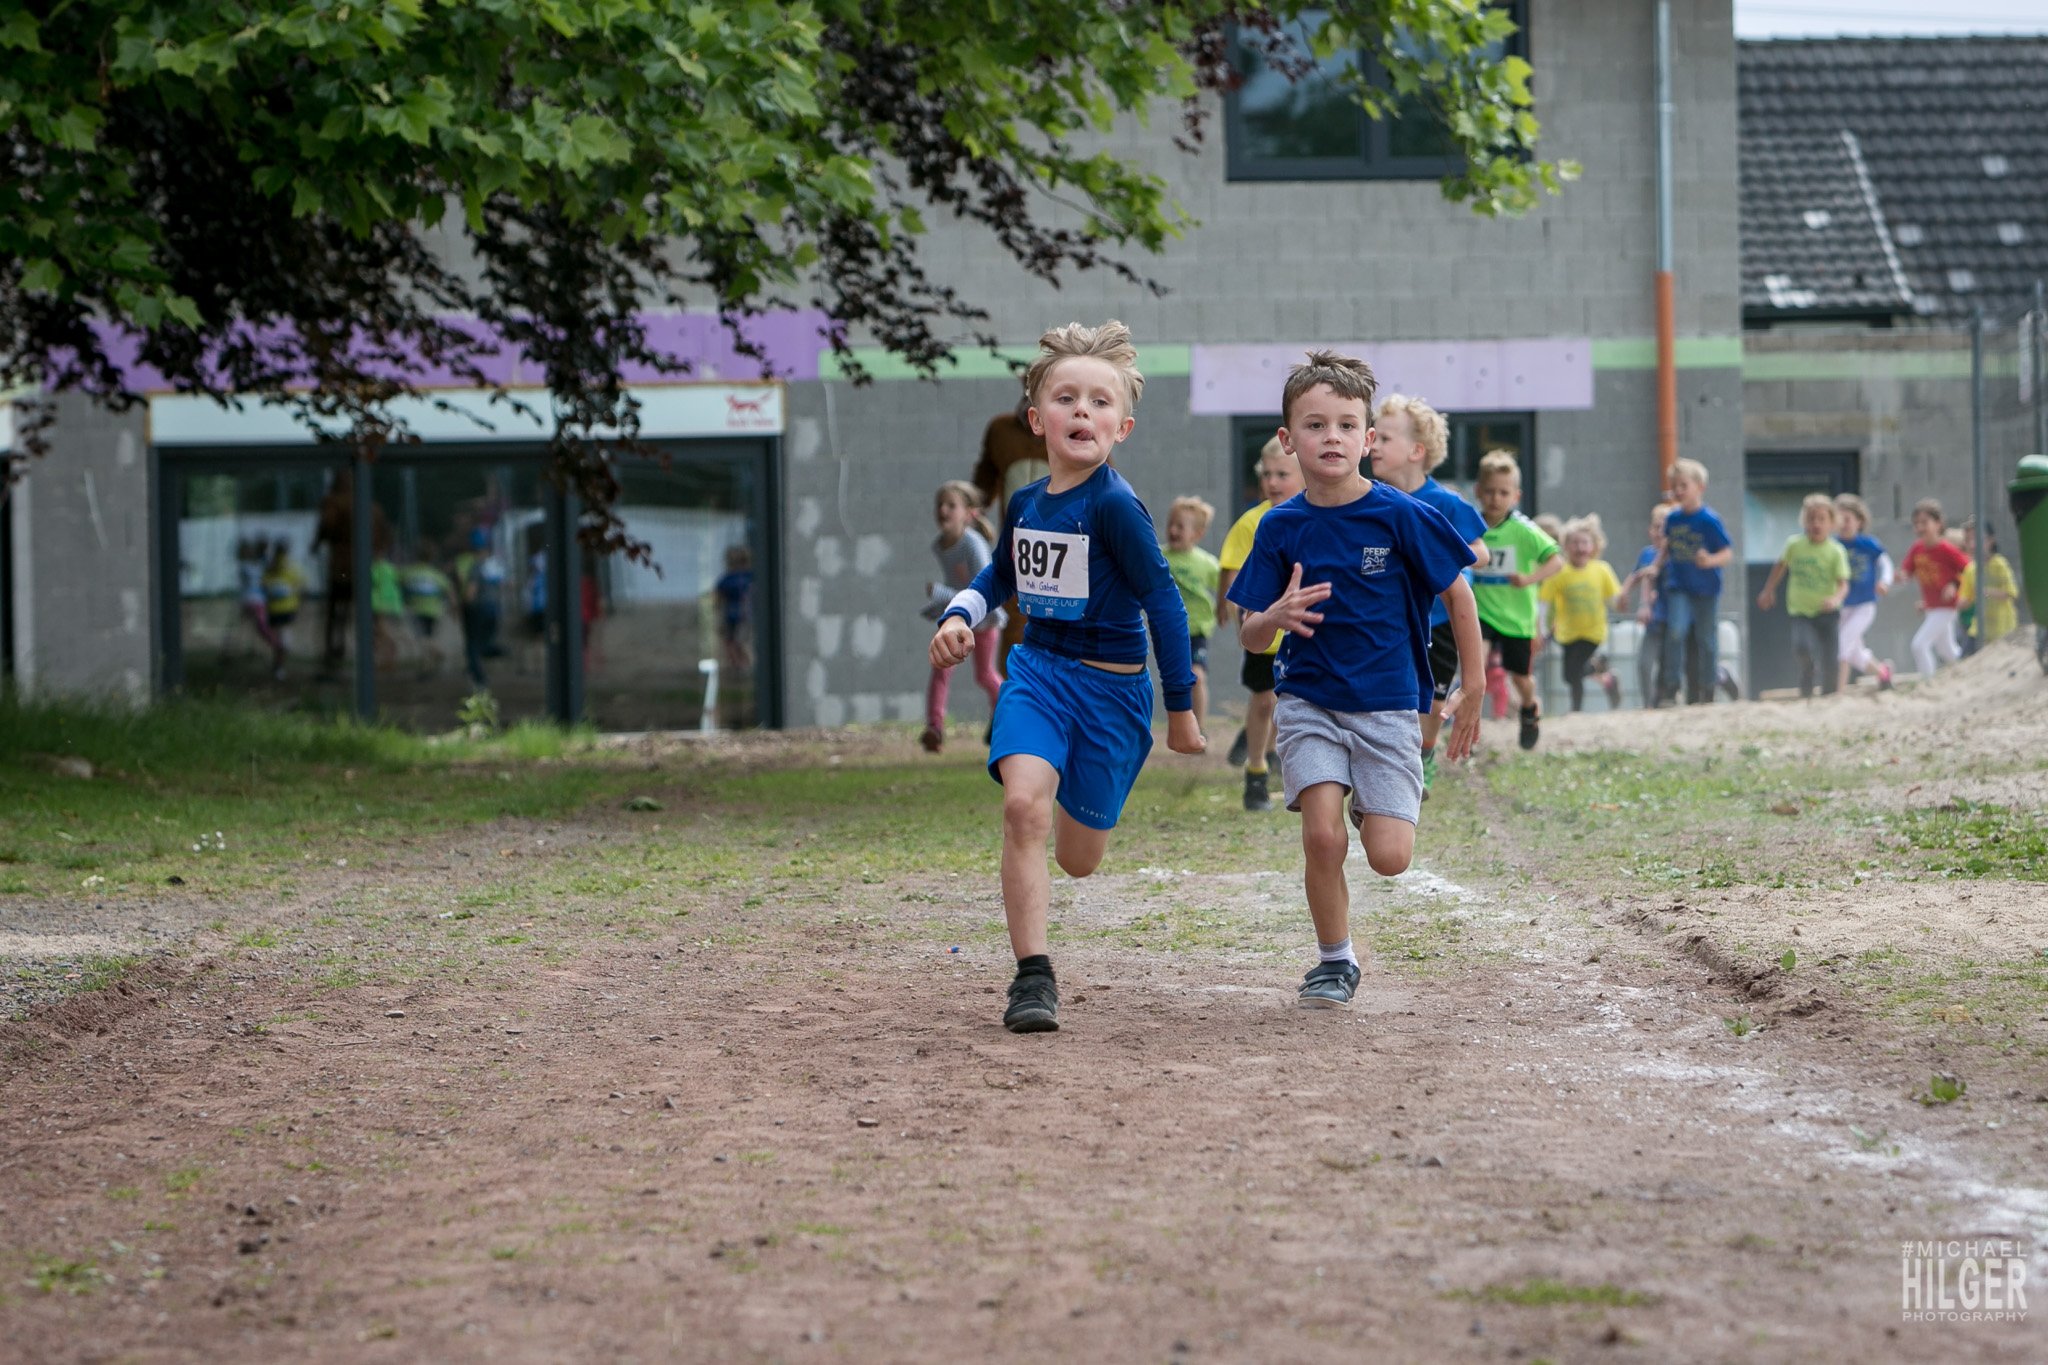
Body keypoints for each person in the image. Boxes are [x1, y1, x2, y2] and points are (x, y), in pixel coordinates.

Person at [928, 320, 1202, 1034]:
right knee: (1023, 808)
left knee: (1079, 858)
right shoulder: (1025, 504)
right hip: (1039, 674)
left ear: (1122, 427)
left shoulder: (1115, 506)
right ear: (1037, 419)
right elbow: (998, 576)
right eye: (1067, 398)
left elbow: (1164, 602)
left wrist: (1180, 708)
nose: (1083, 411)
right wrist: (959, 615)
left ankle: (1084, 796)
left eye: (1100, 402)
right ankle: (1033, 978)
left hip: (1112, 694)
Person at [1225, 351, 1484, 1010]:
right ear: (1289, 439)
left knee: (1390, 857)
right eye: (1315, 425)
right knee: (1322, 836)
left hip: (1388, 704)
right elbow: (1248, 633)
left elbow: (1458, 593)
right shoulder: (1279, 526)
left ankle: (1375, 801)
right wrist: (1273, 617)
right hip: (1308, 699)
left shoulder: (1401, 515)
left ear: (1368, 439)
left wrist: (1475, 686)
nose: (1331, 437)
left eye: (1346, 425)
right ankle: (1335, 960)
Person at [1369, 394, 1489, 797]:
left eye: (1385, 438)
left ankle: (1425, 755)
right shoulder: (1371, 500)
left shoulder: (1445, 503)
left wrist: (1437, 555)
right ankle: (1394, 761)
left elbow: (1482, 553)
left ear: (1416, 451)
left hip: (1441, 620)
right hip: (1395, 622)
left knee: (1434, 704)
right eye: (1373, 436)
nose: (1373, 445)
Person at [1216, 438, 1304, 810]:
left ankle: (1279, 757)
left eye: (1282, 474)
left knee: (1290, 702)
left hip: (1303, 631)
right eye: (1266, 474)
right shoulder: (1252, 522)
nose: (1272, 482)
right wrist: (1232, 605)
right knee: (1265, 699)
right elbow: (1233, 569)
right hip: (1265, 630)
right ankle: (1256, 774)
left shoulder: (1314, 518)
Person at [1470, 451, 1560, 748]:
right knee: (1475, 666)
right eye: (1490, 491)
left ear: (1516, 496)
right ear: (1478, 491)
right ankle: (1469, 726)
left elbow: (1556, 561)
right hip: (1481, 611)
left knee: (1520, 677)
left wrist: (1529, 579)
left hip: (1516, 616)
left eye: (1503, 493)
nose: (1496, 499)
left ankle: (1530, 707)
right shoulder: (1471, 525)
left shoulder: (1524, 529)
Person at [920, 480, 1005, 753]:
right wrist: (942, 604)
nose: (943, 510)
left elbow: (981, 591)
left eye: (951, 505)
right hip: (958, 619)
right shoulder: (940, 546)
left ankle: (1009, 714)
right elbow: (957, 587)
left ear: (969, 513)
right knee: (940, 668)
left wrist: (941, 594)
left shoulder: (973, 544)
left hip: (984, 620)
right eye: (940, 505)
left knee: (984, 675)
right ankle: (934, 728)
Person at [971, 398, 1051, 671]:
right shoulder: (1001, 430)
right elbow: (984, 481)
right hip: (1016, 549)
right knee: (1014, 625)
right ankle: (1012, 692)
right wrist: (970, 512)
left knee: (1059, 624)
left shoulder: (1072, 428)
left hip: (1061, 548)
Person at [1756, 493, 1850, 698]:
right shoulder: (1794, 545)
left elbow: (1843, 585)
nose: (1816, 524)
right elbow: (1780, 566)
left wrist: (1835, 599)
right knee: (1801, 647)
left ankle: (1829, 695)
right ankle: (1808, 671)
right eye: (1811, 518)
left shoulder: (1836, 551)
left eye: (1821, 519)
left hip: (1828, 612)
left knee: (1831, 659)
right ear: (1804, 521)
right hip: (1801, 610)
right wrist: (1768, 590)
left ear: (1831, 523)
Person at [1658, 458, 1733, 705]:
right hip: (1679, 584)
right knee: (1675, 631)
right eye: (1674, 487)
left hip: (1706, 588)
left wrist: (1710, 560)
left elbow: (1727, 553)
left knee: (1706, 639)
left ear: (1700, 487)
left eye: (1684, 486)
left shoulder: (1709, 520)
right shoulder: (1672, 519)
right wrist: (1656, 565)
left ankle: (1708, 688)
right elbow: (1667, 546)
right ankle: (1671, 686)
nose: (1678, 491)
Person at [1540, 515, 1626, 711]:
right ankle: (1605, 675)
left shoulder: (1601, 570)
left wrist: (1620, 603)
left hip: (1593, 631)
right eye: (1575, 543)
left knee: (1575, 671)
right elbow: (1544, 601)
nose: (1580, 548)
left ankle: (1576, 710)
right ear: (1566, 546)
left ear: (1594, 546)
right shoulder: (1559, 572)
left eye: (1584, 543)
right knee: (1568, 675)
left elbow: (1613, 599)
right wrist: (1543, 629)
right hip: (1567, 632)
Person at [1163, 496, 1220, 736]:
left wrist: (1227, 608)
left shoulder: (1206, 563)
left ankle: (1199, 728)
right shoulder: (1159, 557)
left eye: (1180, 526)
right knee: (1175, 681)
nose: (1173, 530)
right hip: (1168, 631)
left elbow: (1228, 586)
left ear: (1197, 534)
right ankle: (1179, 726)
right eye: (1171, 524)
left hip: (1196, 631)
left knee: (1197, 676)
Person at [1832, 493, 1894, 691]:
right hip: (1842, 605)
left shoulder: (1868, 544)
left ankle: (1839, 691)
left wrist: (1885, 582)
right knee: (1855, 652)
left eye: (1847, 519)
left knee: (1843, 643)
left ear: (1859, 521)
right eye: (1839, 519)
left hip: (1864, 605)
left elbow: (1886, 564)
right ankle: (1883, 673)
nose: (1843, 524)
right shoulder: (1833, 546)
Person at [1901, 498, 1968, 679]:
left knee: (1919, 645)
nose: (1920, 528)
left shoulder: (1946, 549)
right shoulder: (1917, 549)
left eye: (1924, 523)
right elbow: (1907, 570)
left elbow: (1969, 571)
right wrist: (1901, 576)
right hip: (1932, 608)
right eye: (1916, 523)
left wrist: (1954, 585)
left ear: (1938, 524)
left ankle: (1927, 682)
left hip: (1947, 607)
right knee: (1947, 651)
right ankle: (1969, 674)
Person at [1624, 503, 1672, 709]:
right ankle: (1648, 704)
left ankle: (1663, 701)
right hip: (1654, 620)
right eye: (1656, 527)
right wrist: (1624, 594)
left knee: (1670, 665)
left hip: (1674, 619)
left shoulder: (1676, 555)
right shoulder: (1646, 554)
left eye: (1664, 528)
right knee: (1644, 664)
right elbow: (1638, 576)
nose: (1659, 532)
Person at [454, 526, 506, 688]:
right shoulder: (493, 565)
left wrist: (462, 604)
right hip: (493, 608)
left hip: (477, 609)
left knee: (472, 645)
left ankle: (478, 678)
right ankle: (483, 664)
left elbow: (471, 591)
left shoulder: (475, 566)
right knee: (485, 642)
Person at [1957, 520, 2018, 649]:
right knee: (1966, 656)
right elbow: (1965, 599)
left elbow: (2011, 593)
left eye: (1977, 538)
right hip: (1978, 629)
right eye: (1968, 540)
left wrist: (1986, 592)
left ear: (1991, 540)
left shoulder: (1999, 564)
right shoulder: (1970, 570)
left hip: (2002, 629)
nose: (1972, 544)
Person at [400, 540, 454, 678]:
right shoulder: (435, 574)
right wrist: (453, 606)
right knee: (427, 637)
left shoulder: (409, 572)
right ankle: (427, 665)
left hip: (416, 610)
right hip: (434, 610)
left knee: (422, 638)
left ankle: (439, 653)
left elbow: (397, 580)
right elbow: (449, 589)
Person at [235, 536, 287, 677]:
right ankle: (277, 647)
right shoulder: (250, 566)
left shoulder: (255, 565)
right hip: (255, 602)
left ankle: (277, 648)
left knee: (262, 627)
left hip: (255, 601)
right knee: (264, 628)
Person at [260, 540, 306, 681]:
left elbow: (300, 584)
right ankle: (279, 665)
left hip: (281, 608)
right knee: (281, 639)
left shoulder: (280, 566)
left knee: (281, 639)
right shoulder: (286, 566)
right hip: (282, 608)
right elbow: (301, 584)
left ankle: (278, 665)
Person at [714, 545, 754, 676]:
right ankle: (740, 666)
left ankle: (742, 665)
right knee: (734, 642)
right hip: (738, 616)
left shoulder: (730, 579)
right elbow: (718, 599)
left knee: (736, 642)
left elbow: (718, 600)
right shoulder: (744, 578)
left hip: (740, 616)